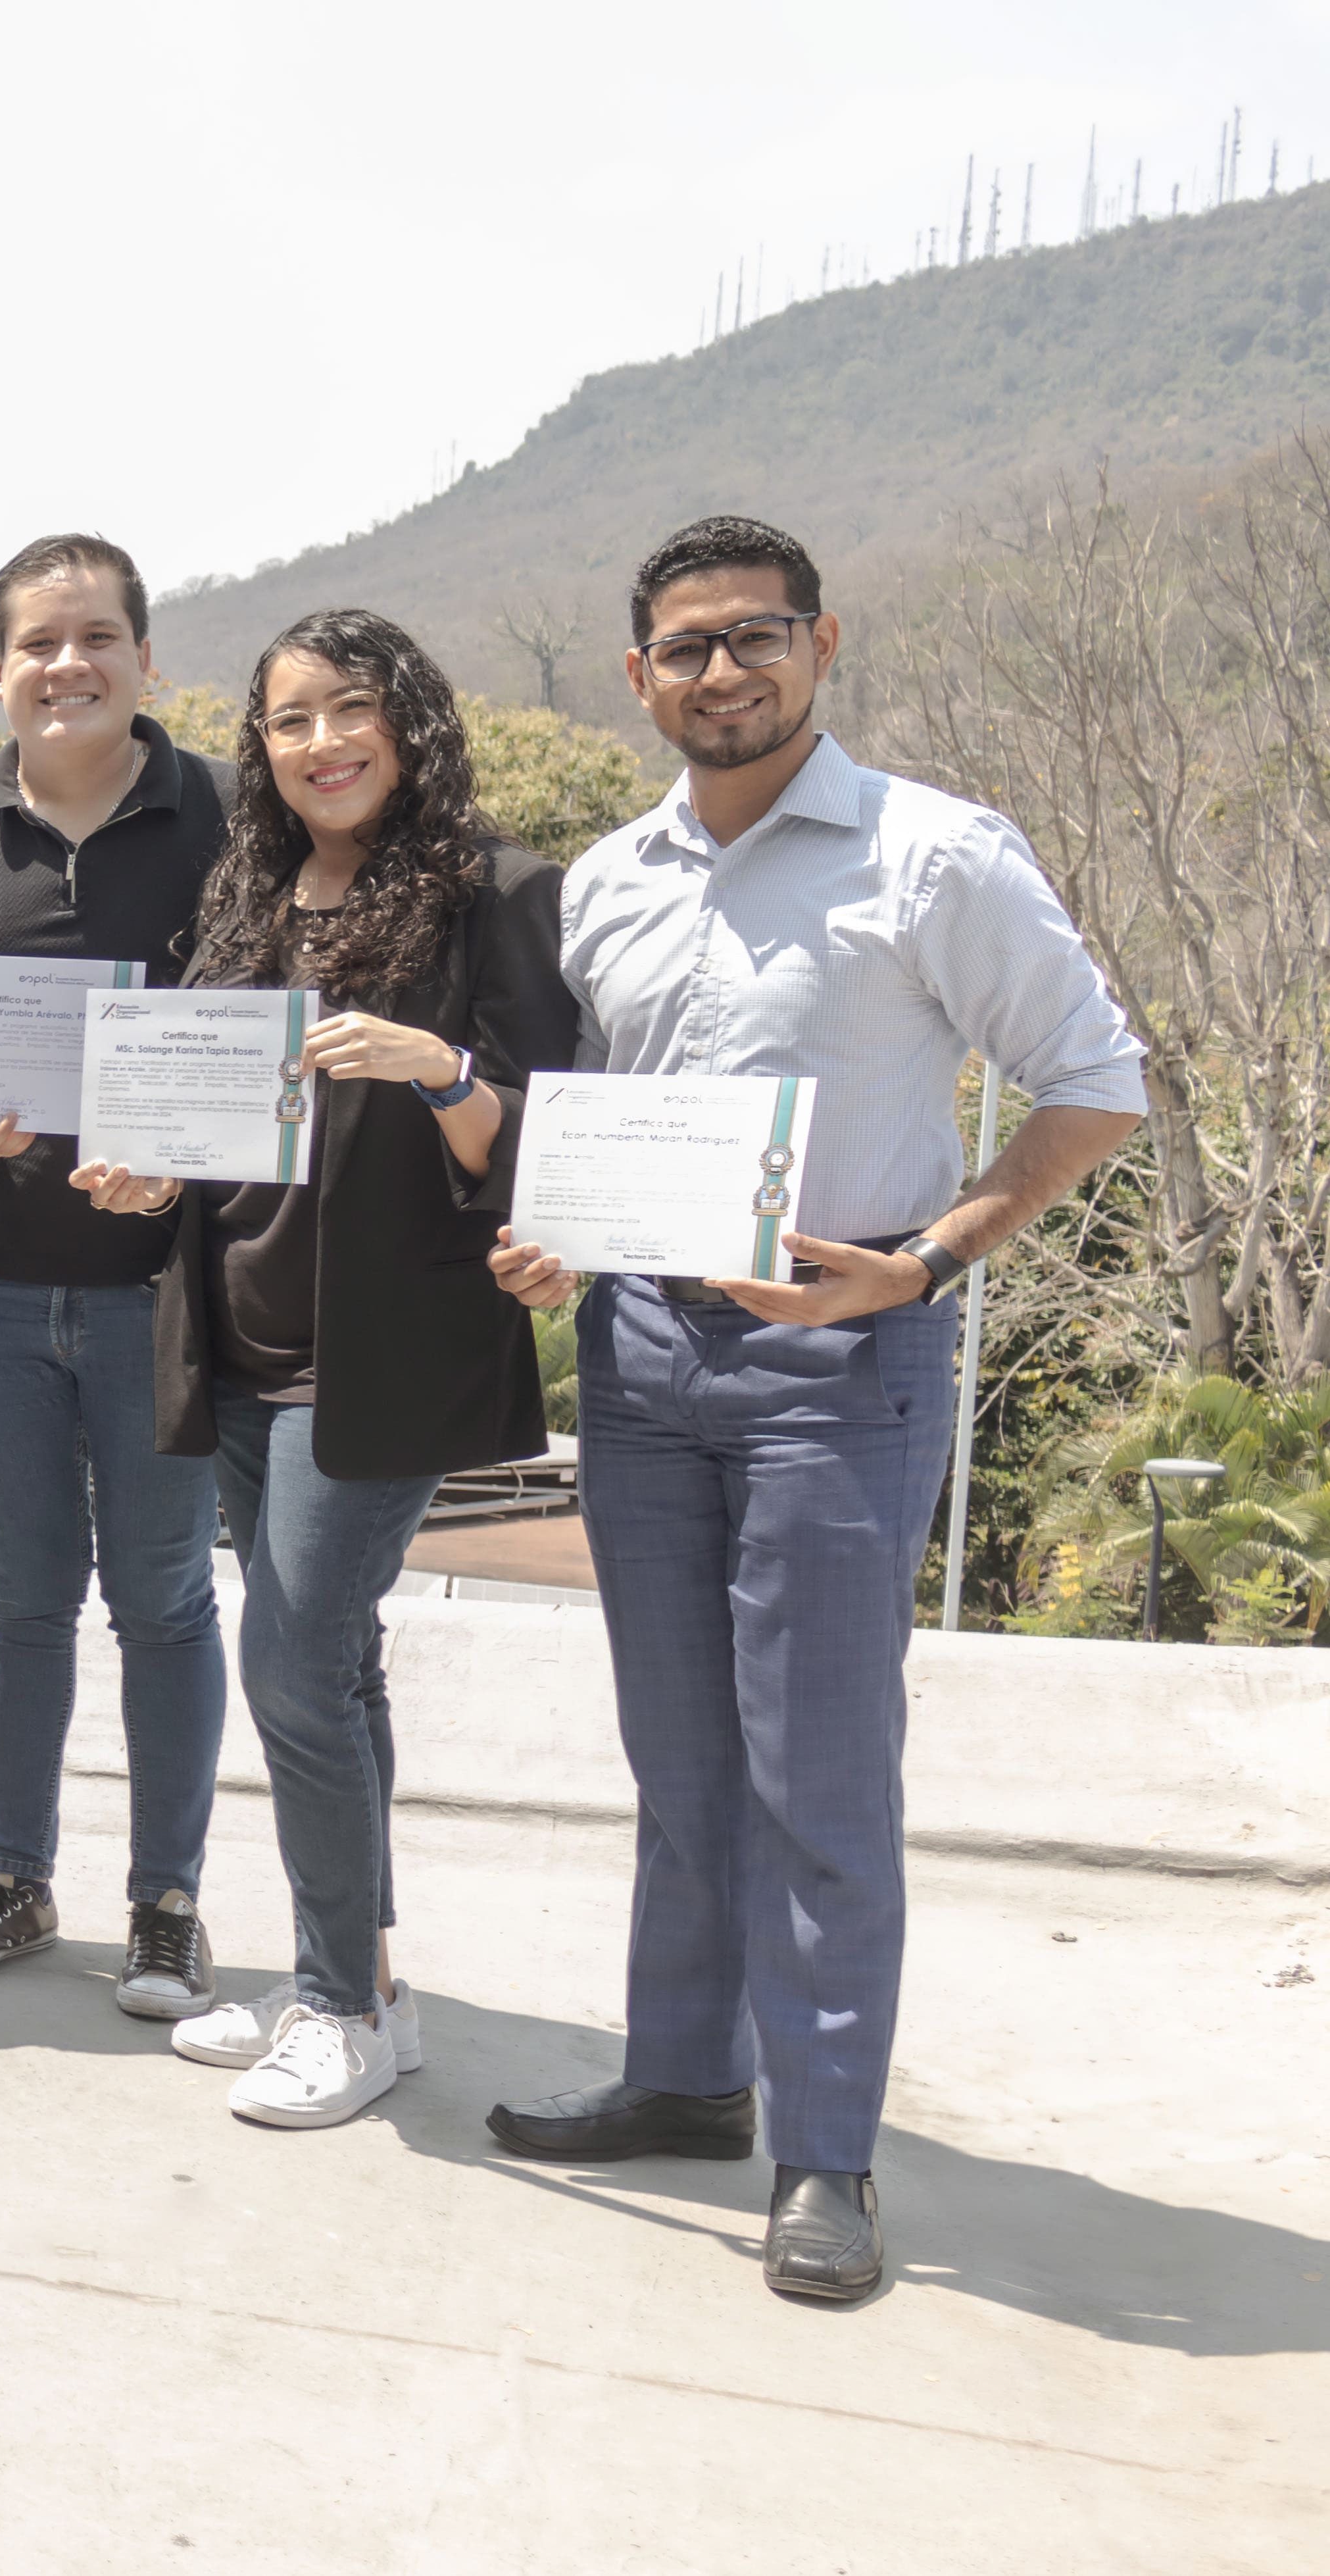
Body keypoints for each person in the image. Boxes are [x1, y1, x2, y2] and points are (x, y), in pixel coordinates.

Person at [481, 517, 1142, 2299]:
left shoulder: (934, 856)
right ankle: (688, 2075)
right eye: (686, 646)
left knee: (821, 1776)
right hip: (642, 1355)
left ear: (821, 645)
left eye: (755, 636)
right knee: (683, 1759)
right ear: (639, 680)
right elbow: (597, 1122)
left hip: (844, 1365)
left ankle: (827, 2151)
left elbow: (1098, 1085)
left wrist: (925, 1261)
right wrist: (561, 1238)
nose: (722, 669)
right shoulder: (609, 878)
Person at [57, 611, 572, 2127]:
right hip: (233, 1323)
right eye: (291, 720)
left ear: (410, 722)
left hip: (381, 1348)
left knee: (288, 1657)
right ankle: (371, 1986)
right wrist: (149, 1180)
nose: (324, 742)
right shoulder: (251, 890)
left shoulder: (500, 893)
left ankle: (336, 2002)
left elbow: (544, 1139)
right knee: (332, 1662)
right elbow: (217, 1128)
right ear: (262, 746)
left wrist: (449, 1072)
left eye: (354, 710)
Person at [0, 533, 234, 2019]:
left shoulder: (231, 815)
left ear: (146, 657)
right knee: (25, 1597)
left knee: (162, 1602)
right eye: (39, 641)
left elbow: (267, 1033)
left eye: (98, 636)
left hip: (166, 1297)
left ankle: (167, 1901)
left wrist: (186, 1150)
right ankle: (17, 1876)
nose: (68, 663)